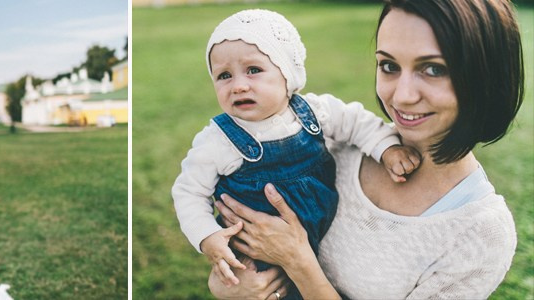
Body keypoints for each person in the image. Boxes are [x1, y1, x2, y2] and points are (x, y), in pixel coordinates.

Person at [210, 0, 523, 298]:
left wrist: (298, 261)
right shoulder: (330, 144)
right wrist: (227, 283)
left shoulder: (481, 234)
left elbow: (290, 254)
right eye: (388, 65)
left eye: (433, 69)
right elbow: (235, 252)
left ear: (485, 74)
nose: (401, 96)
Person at [171, 9, 421, 299]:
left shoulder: (313, 112)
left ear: (287, 74)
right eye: (224, 76)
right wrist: (207, 236)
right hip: (256, 256)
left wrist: (387, 149)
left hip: (320, 242)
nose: (238, 85)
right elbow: (188, 192)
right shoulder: (218, 139)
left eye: (253, 70)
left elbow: (358, 123)